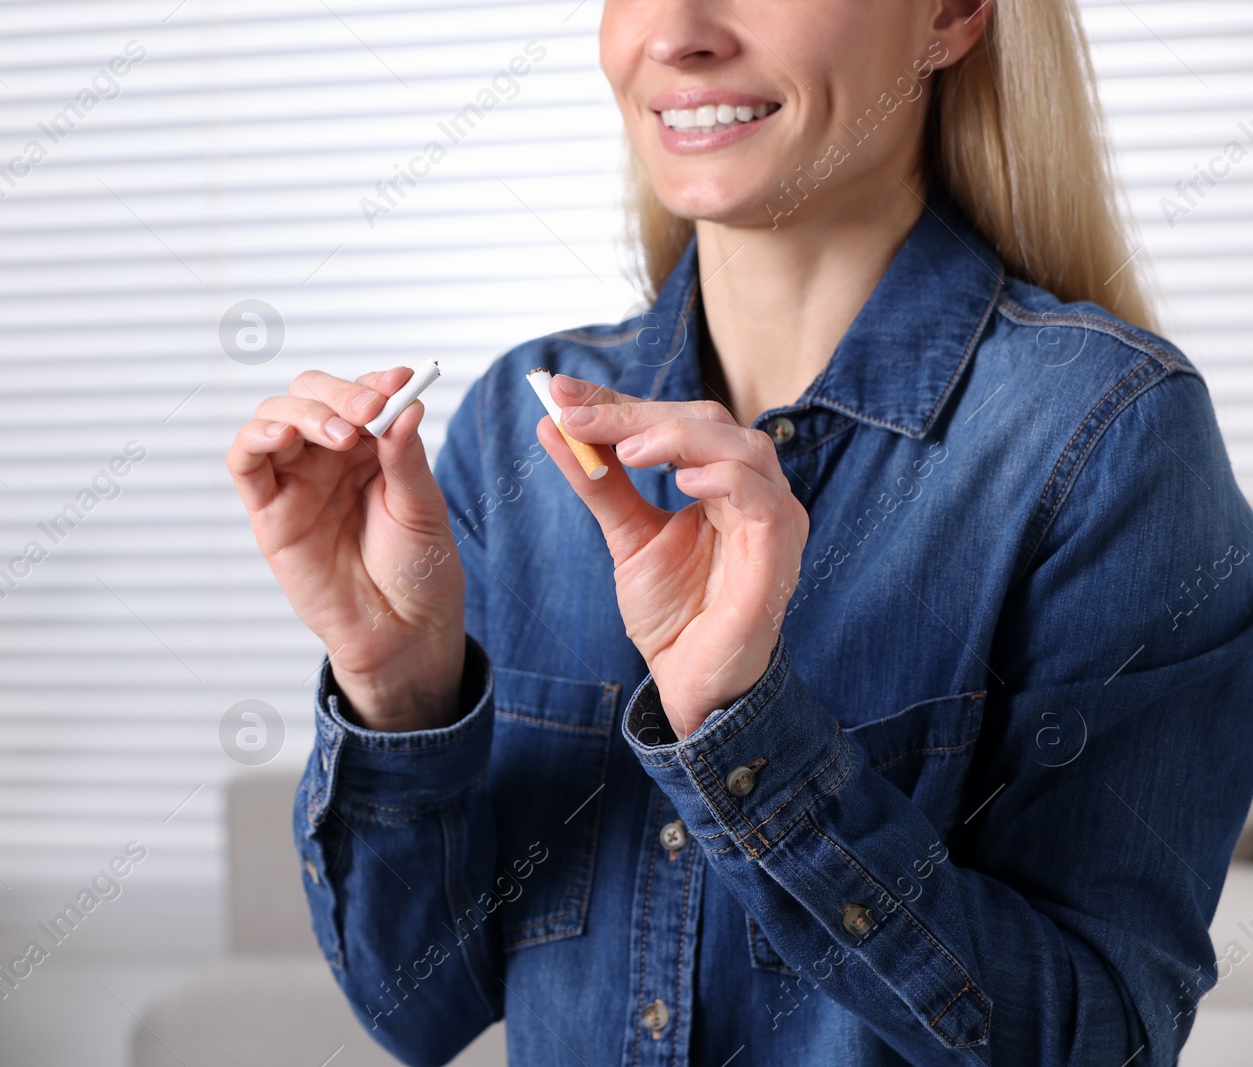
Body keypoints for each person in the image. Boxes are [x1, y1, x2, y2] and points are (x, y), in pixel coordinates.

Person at [226, 0, 1253, 1063]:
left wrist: (740, 727)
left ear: (948, 16)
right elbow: (419, 1010)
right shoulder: (511, 431)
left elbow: (1102, 1041)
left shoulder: (1107, 437)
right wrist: (397, 692)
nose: (675, 32)